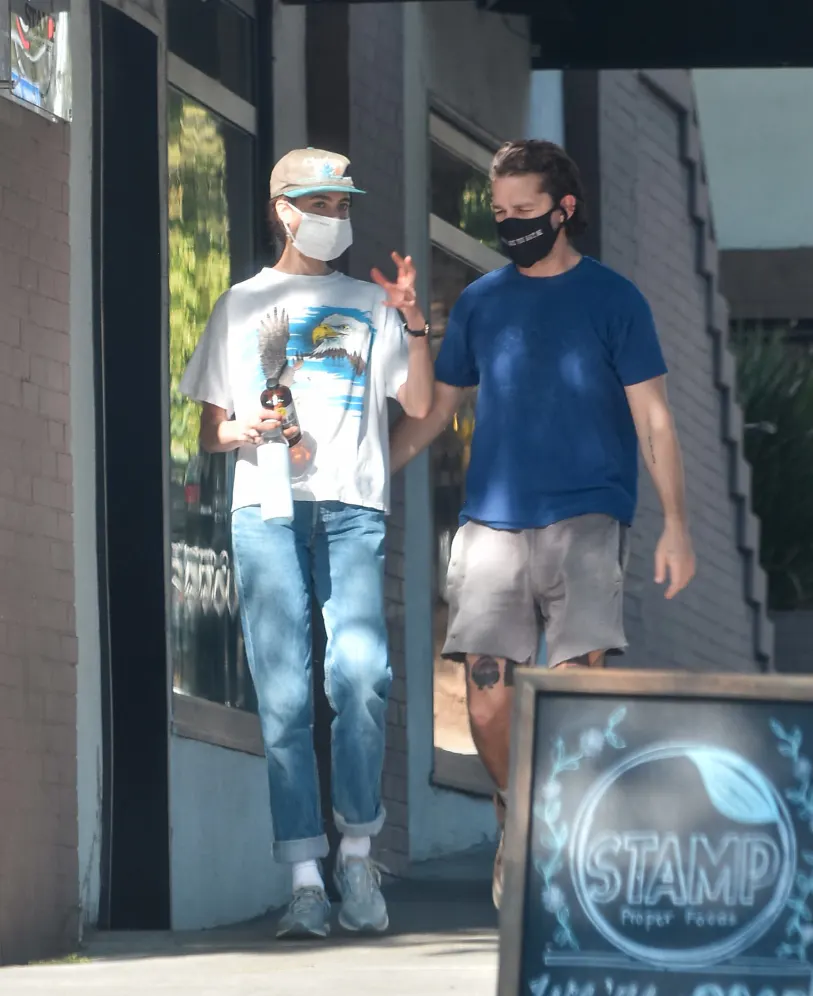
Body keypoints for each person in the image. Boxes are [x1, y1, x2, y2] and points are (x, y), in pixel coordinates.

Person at [390, 139, 696, 910]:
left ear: (562, 210)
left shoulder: (613, 300)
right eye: (499, 213)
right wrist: (372, 468)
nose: (509, 224)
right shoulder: (481, 303)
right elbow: (439, 411)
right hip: (491, 523)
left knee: (572, 697)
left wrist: (676, 525)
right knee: (487, 699)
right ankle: (516, 811)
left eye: (523, 212)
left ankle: (554, 835)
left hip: (587, 520)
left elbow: (653, 419)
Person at [180, 148, 434, 938]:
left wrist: (415, 320)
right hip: (266, 507)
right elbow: (209, 429)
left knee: (359, 674)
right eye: (320, 204)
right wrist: (243, 426)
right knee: (284, 694)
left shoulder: (371, 301)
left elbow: (419, 401)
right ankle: (302, 876)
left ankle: (356, 849)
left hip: (352, 508)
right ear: (282, 209)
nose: (334, 219)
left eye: (342, 205)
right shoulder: (240, 304)